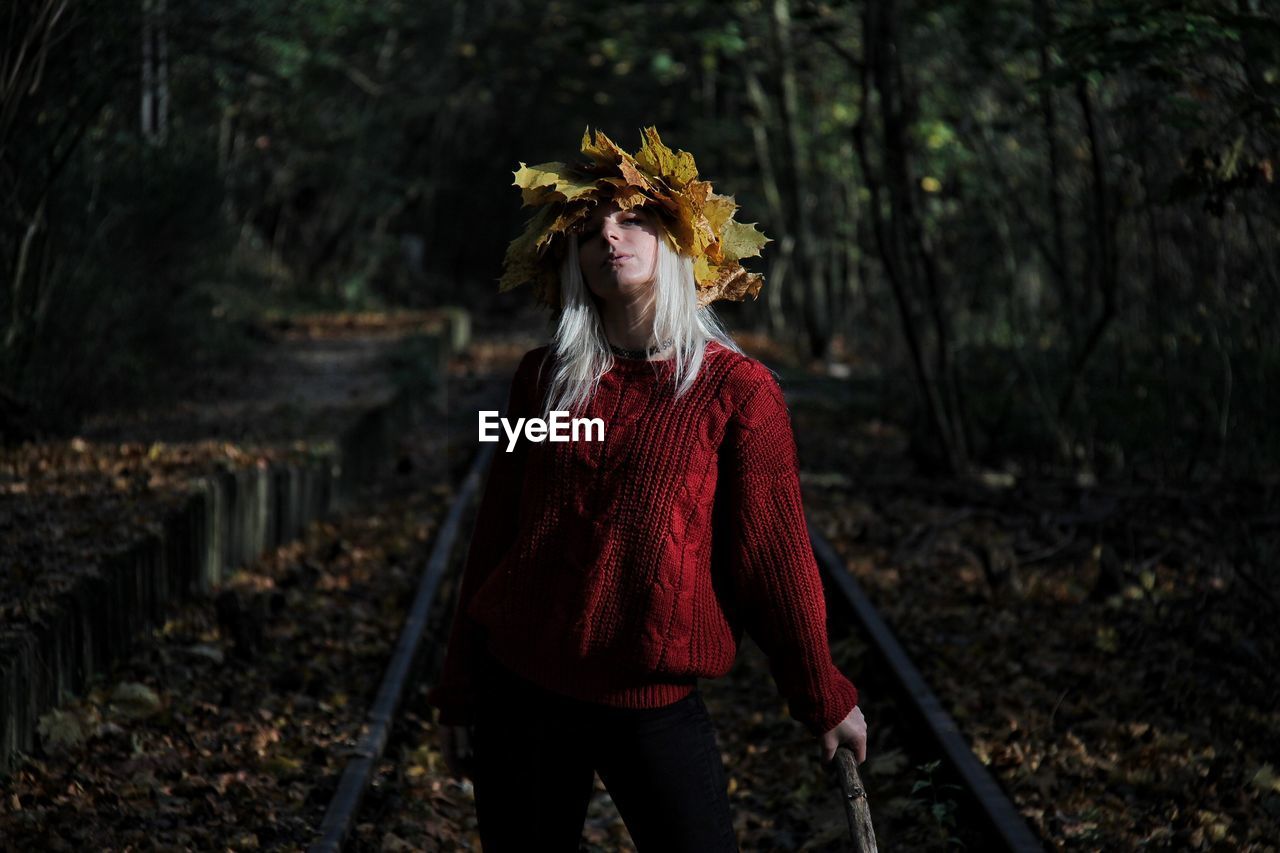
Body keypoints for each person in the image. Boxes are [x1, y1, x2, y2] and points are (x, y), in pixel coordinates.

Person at [428, 127, 866, 852]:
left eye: (631, 218)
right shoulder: (540, 380)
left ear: (675, 241)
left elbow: (774, 562)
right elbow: (496, 533)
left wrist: (822, 696)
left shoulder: (738, 393)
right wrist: (457, 688)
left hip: (653, 705)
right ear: (571, 258)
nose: (610, 236)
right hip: (522, 693)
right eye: (590, 228)